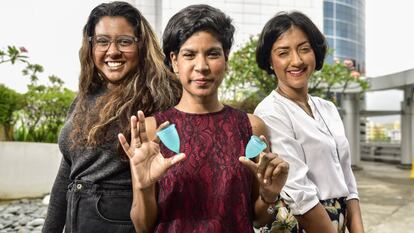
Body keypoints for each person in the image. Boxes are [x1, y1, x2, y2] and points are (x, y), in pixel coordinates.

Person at [117, 4, 289, 233]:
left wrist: (269, 196)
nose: (202, 66)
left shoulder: (251, 127)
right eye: (189, 54)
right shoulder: (152, 130)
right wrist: (143, 187)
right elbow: (143, 226)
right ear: (175, 61)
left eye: (213, 54)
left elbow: (258, 220)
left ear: (226, 59)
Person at [42, 2, 181, 233]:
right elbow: (67, 171)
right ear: (90, 46)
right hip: (77, 221)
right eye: (102, 41)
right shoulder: (84, 97)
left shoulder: (163, 96)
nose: (113, 51)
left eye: (124, 41)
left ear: (141, 45)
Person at [254, 11, 364, 233]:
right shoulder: (270, 112)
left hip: (339, 217)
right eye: (283, 52)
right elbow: (299, 195)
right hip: (305, 222)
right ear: (270, 60)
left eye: (304, 49)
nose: (297, 60)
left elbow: (348, 180)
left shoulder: (328, 108)